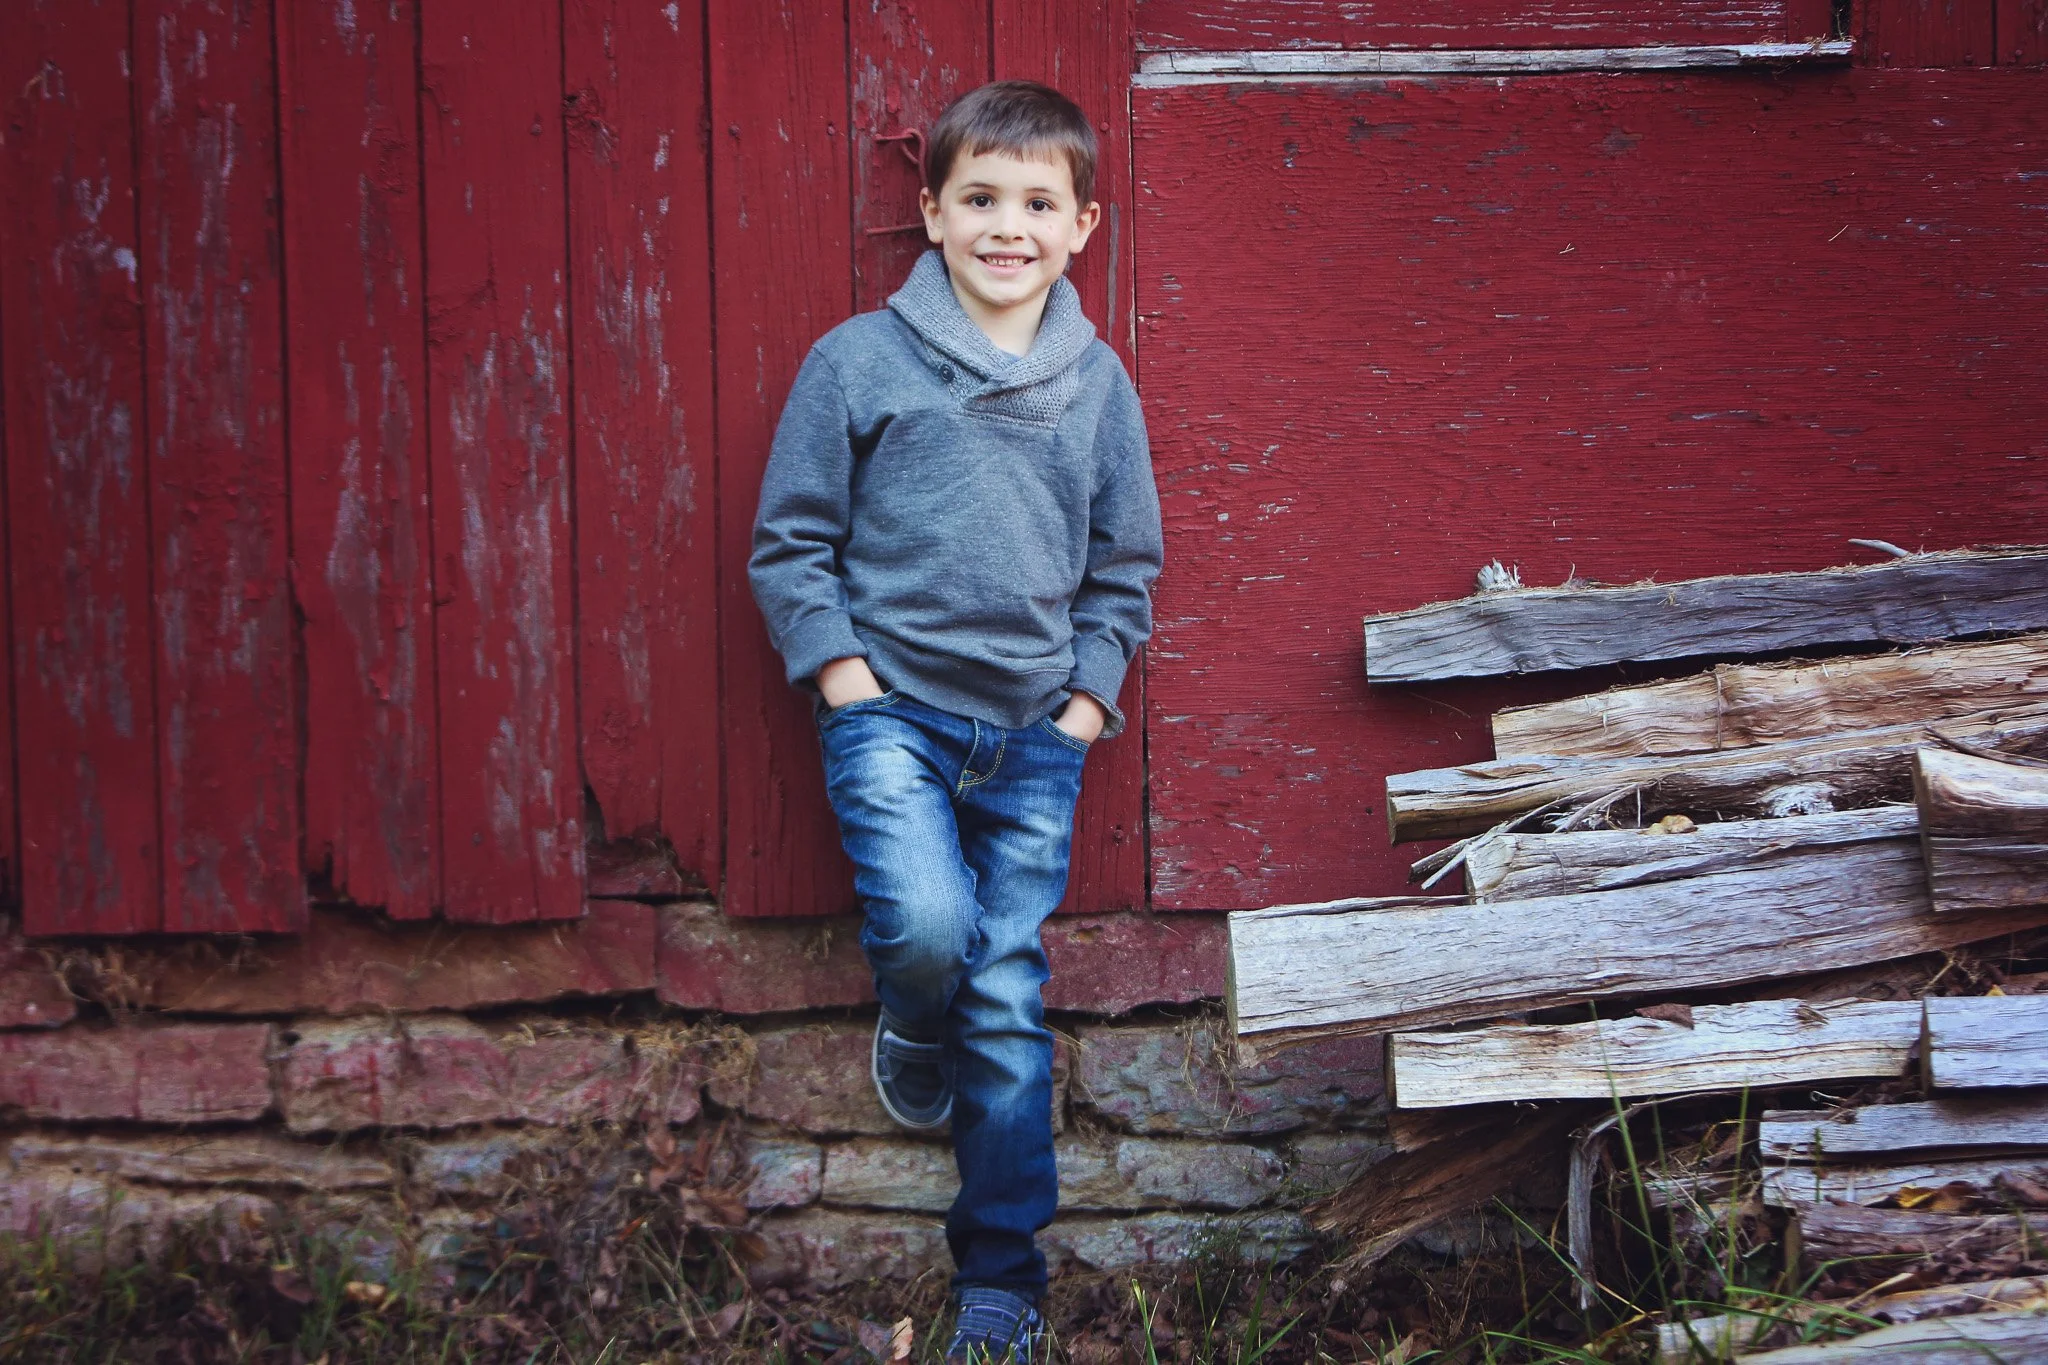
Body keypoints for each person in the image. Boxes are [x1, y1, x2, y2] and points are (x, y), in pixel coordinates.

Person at [748, 79, 1162, 1363]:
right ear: (930, 212)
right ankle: (907, 1009)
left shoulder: (1096, 387)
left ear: (1082, 225)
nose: (1007, 226)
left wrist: (1088, 704)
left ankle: (1002, 1285)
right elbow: (790, 541)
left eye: (1038, 204)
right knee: (931, 933)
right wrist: (843, 682)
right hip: (893, 719)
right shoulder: (857, 363)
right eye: (979, 199)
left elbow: (1124, 562)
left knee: (1005, 997)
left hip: (1035, 735)